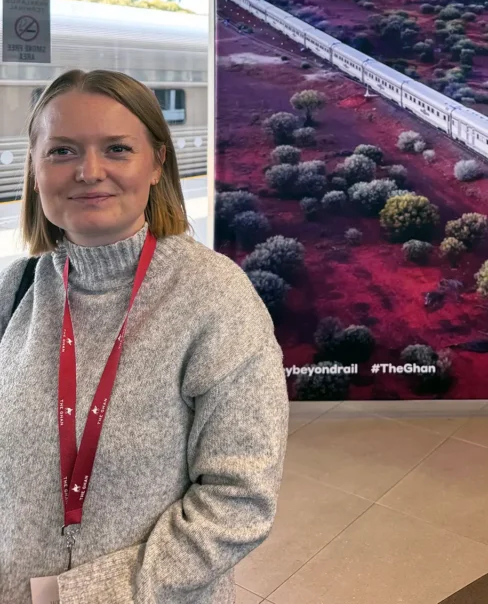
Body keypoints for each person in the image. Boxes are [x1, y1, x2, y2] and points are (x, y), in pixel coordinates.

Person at [0, 69, 289, 604]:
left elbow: (239, 501)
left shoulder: (214, 298)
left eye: (116, 148)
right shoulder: (17, 289)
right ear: (35, 168)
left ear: (157, 163)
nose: (89, 172)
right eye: (62, 151)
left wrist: (73, 597)